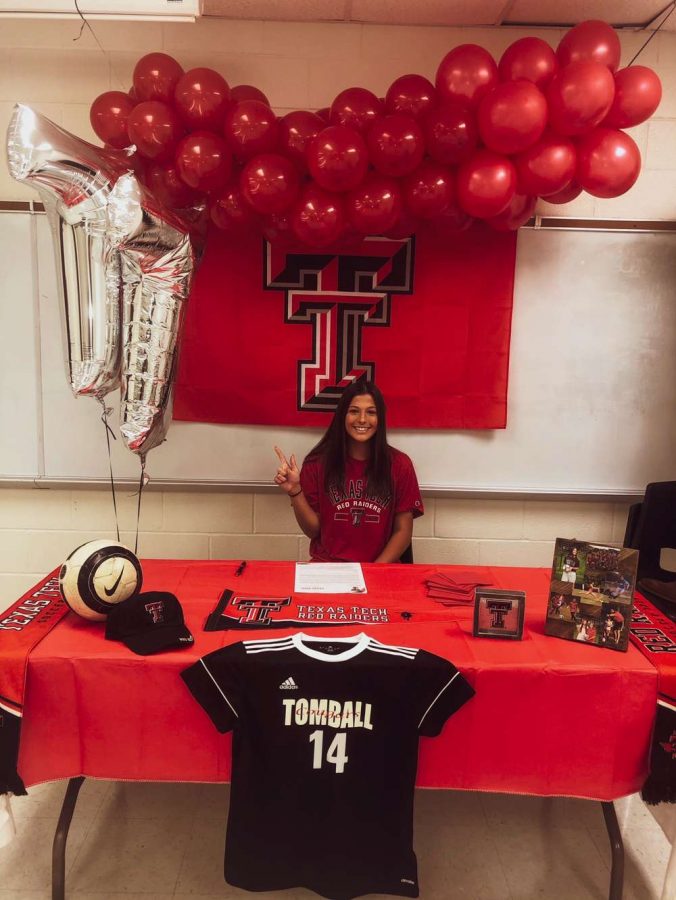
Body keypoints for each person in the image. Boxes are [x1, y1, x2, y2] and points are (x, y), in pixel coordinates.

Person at [273, 381, 423, 563]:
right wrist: (295, 491)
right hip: (328, 568)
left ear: (380, 418)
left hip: (380, 568)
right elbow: (313, 531)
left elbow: (403, 532)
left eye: (371, 412)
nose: (362, 419)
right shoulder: (316, 463)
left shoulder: (400, 465)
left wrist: (373, 573)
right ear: (342, 416)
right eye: (354, 411)